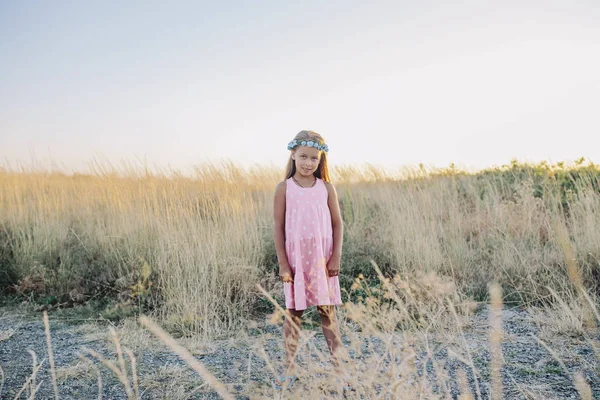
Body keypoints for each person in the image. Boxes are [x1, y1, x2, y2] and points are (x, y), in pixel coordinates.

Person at [273, 130, 345, 390]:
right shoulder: (284, 188)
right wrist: (283, 263)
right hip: (295, 260)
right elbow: (278, 227)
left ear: (320, 159)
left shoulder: (326, 187)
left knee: (327, 314)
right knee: (293, 314)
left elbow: (338, 224)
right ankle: (289, 367)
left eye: (314, 158)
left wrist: (335, 256)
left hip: (322, 259)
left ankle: (339, 369)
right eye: (303, 156)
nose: (308, 163)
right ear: (293, 155)